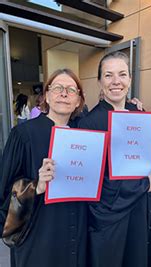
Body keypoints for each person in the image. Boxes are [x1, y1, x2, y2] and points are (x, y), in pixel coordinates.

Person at [78, 51, 151, 267]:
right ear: (99, 81)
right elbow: (94, 186)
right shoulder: (89, 124)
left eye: (122, 74)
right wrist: (145, 184)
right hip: (111, 220)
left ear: (130, 79)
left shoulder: (139, 115)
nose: (116, 81)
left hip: (143, 211)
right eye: (108, 75)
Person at [0, 69, 87, 267]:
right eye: (57, 88)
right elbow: (5, 190)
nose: (64, 94)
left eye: (71, 90)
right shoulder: (23, 135)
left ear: (78, 100)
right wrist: (35, 186)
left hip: (76, 231)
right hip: (38, 235)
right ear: (46, 95)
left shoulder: (85, 134)